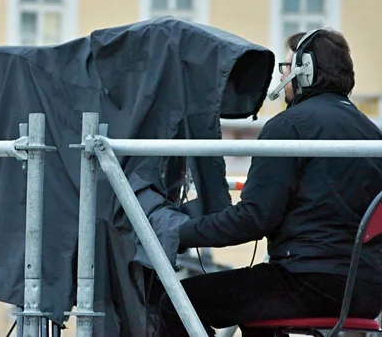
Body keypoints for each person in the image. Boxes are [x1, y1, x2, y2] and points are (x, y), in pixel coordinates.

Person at [159, 28, 382, 337]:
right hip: (367, 290)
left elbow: (253, 219)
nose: (281, 79)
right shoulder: (371, 133)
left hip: (308, 282)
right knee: (255, 306)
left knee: (174, 302)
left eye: (286, 67)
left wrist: (177, 231)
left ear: (306, 72)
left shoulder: (289, 126)